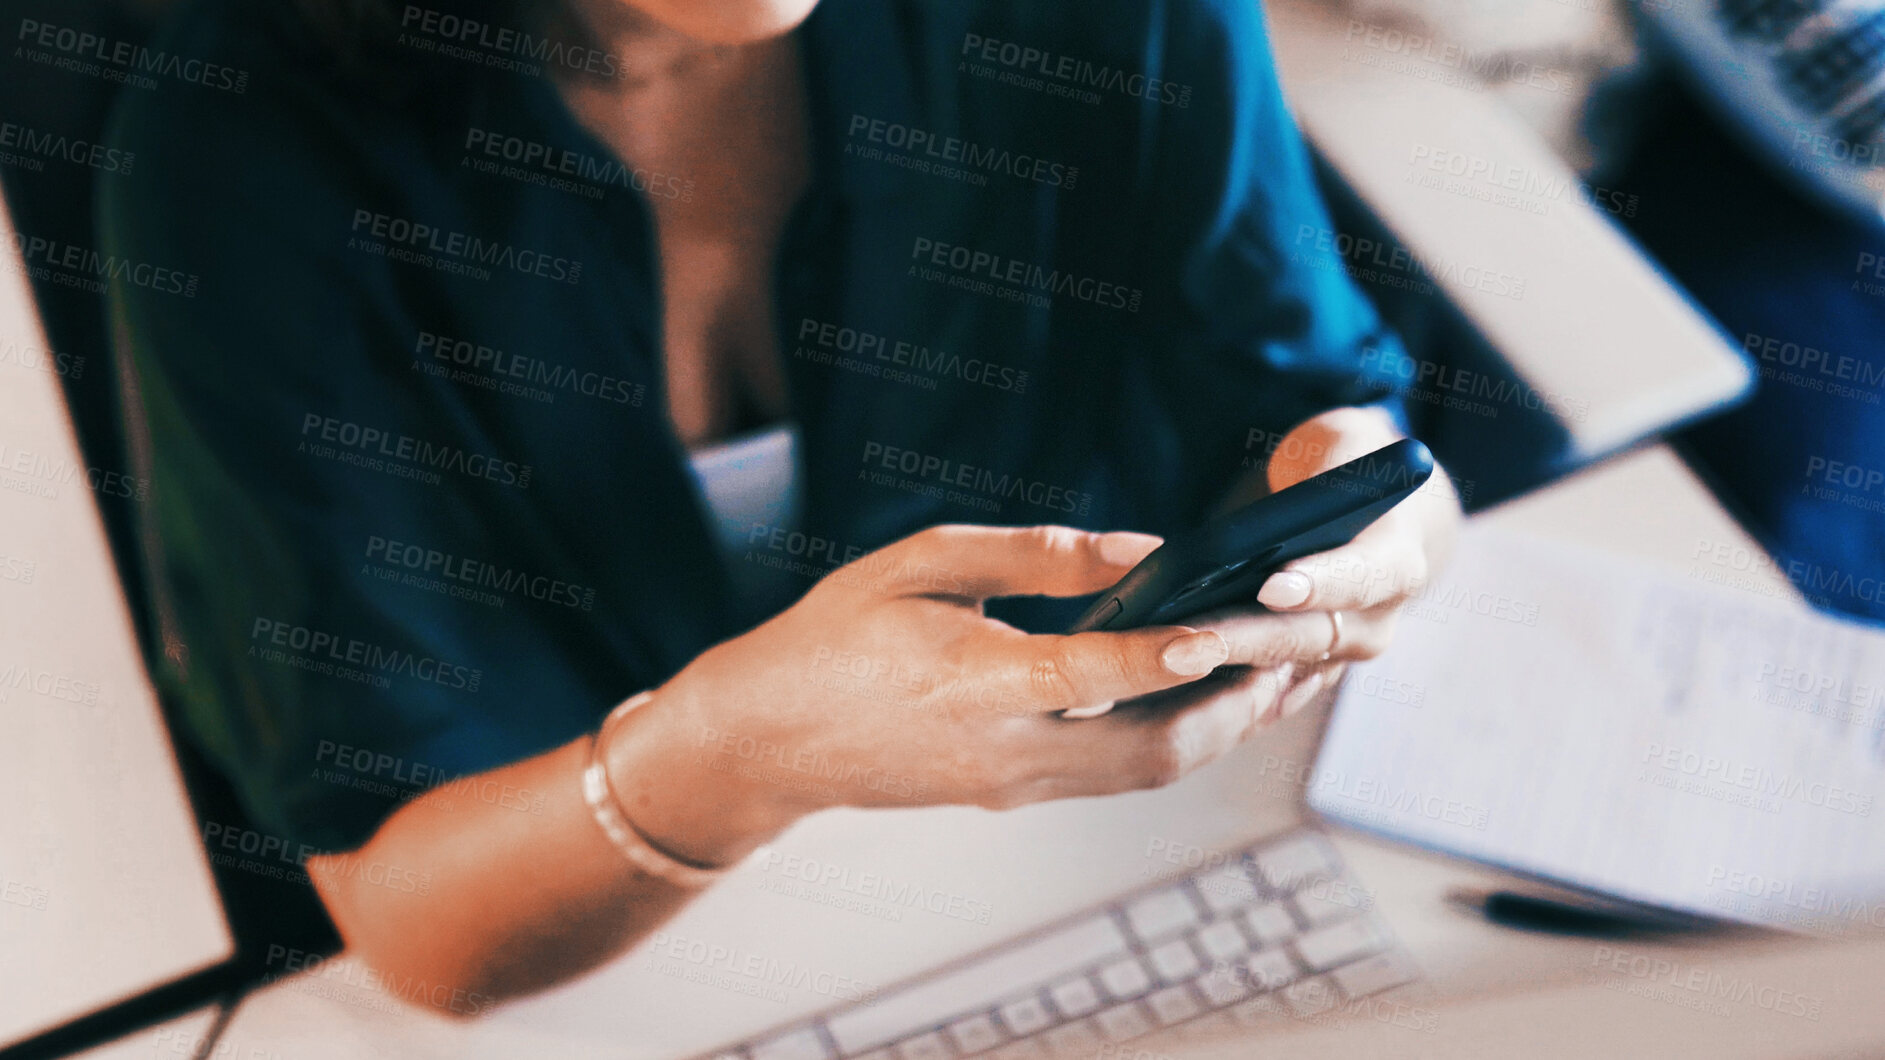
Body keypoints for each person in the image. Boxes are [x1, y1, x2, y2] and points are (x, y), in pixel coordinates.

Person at [99, 0, 1461, 1010]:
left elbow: (1319, 408)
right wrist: (734, 756)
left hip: (1107, 872)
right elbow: (417, 921)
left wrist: (1379, 526)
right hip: (641, 953)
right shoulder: (232, 151)